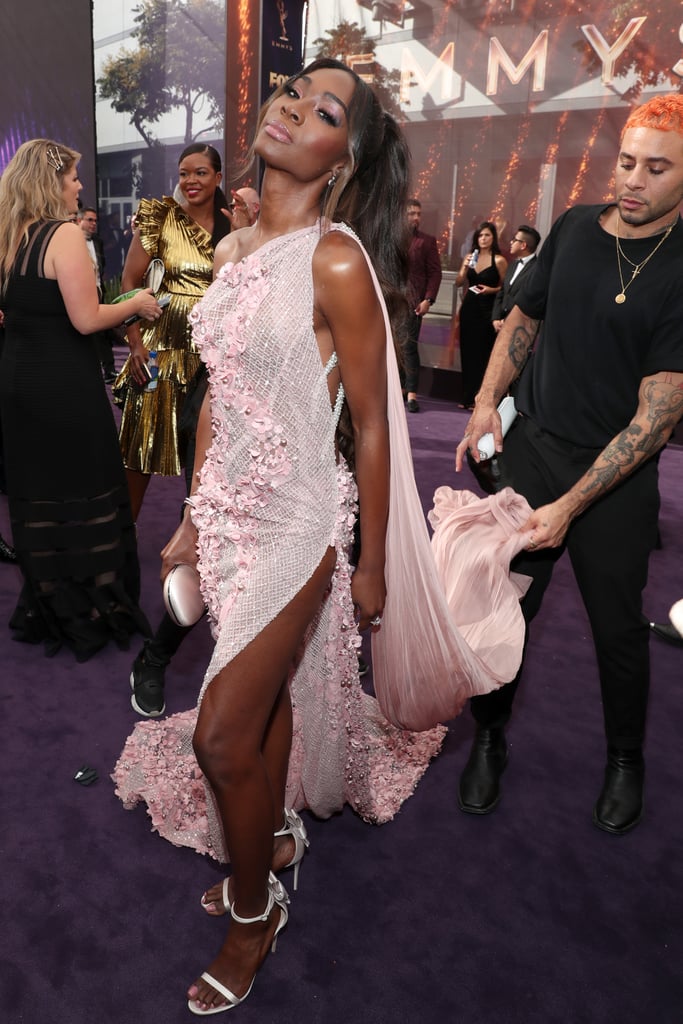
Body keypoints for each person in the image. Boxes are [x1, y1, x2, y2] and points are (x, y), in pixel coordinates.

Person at [112, 58, 474, 1015]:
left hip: (299, 526)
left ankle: (250, 912)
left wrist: (365, 561)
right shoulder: (232, 256)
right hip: (227, 518)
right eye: (289, 94)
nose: (292, 110)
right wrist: (191, 512)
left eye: (323, 112)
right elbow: (215, 398)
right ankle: (270, 839)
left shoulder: (337, 259)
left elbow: (369, 424)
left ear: (342, 160)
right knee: (262, 708)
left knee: (221, 734)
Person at [454, 93, 683, 836]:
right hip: (535, 450)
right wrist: (487, 400)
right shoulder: (575, 228)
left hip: (614, 478)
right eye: (625, 161)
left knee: (616, 629)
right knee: (505, 606)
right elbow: (523, 317)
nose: (632, 180)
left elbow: (653, 421)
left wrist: (569, 507)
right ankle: (488, 738)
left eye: (656, 168)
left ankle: (625, 759)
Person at [0, 139, 161, 659]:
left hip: (19, 380)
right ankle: (91, 605)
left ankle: (51, 598)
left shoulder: (9, 234)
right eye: (73, 177)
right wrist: (134, 302)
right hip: (62, 384)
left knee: (40, 487)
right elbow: (87, 318)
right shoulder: (62, 235)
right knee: (87, 481)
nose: (80, 187)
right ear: (52, 182)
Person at [114, 143, 231, 521]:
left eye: (200, 172)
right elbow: (130, 281)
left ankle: (199, 543)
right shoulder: (161, 216)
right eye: (184, 173)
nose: (191, 180)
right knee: (139, 449)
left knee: (207, 455)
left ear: (218, 176)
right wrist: (134, 344)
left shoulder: (234, 226)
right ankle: (122, 541)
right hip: (158, 352)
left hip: (212, 356)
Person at [455, 220, 507, 408]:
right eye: (481, 235)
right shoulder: (471, 257)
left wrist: (490, 290)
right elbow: (459, 282)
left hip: (487, 310)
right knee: (467, 352)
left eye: (487, 235)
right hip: (469, 308)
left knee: (483, 353)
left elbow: (505, 288)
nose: (483, 239)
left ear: (493, 238)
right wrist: (464, 267)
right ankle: (467, 396)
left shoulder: (499, 260)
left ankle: (480, 397)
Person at [404, 198, 442, 412]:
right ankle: (397, 389)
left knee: (409, 348)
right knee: (391, 347)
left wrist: (428, 299)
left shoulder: (427, 241)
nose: (416, 217)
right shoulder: (391, 239)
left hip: (414, 304)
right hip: (390, 303)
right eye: (412, 213)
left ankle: (411, 395)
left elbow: (435, 273)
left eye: (419, 214)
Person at [78, 205, 117, 383]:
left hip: (99, 290)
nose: (94, 224)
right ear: (80, 221)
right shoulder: (73, 242)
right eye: (90, 220)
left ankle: (109, 370)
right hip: (81, 292)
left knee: (103, 331)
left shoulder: (97, 241)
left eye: (95, 220)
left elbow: (101, 266)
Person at [491, 225, 541, 334]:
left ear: (523, 245)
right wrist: (495, 318)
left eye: (514, 240)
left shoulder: (537, 270)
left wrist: (508, 320)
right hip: (499, 325)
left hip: (519, 329)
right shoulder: (513, 264)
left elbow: (528, 300)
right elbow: (502, 292)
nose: (511, 242)